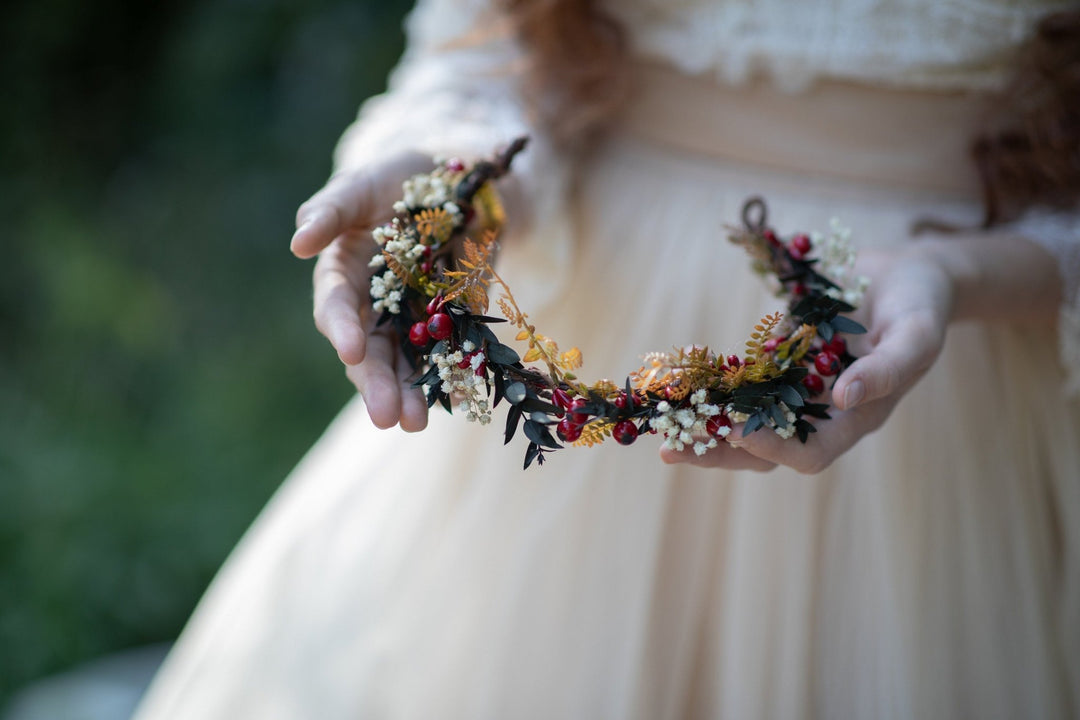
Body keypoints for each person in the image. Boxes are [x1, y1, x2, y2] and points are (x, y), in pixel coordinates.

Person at [135, 1, 1080, 717]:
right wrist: (449, 180)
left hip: (960, 376)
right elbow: (485, 61)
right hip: (590, 318)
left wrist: (969, 275)